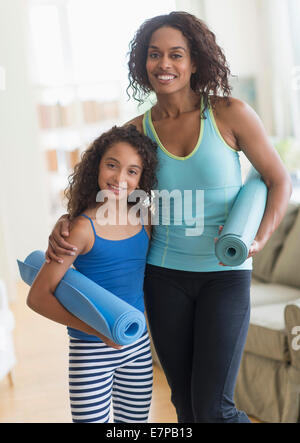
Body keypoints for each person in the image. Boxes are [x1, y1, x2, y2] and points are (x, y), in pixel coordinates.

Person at [46, 12, 292, 423]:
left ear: (194, 61)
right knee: (185, 405)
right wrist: (66, 221)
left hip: (225, 273)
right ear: (143, 63)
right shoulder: (136, 131)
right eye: (154, 55)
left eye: (176, 55)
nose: (165, 64)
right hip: (162, 277)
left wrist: (260, 239)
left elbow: (278, 180)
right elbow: (107, 194)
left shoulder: (229, 113)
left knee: (215, 407)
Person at [27, 125, 158, 423]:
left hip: (137, 348)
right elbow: (37, 297)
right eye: (112, 165)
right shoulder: (82, 229)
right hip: (91, 353)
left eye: (132, 171)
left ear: (142, 179)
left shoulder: (145, 220)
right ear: (96, 165)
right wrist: (96, 331)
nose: (119, 178)